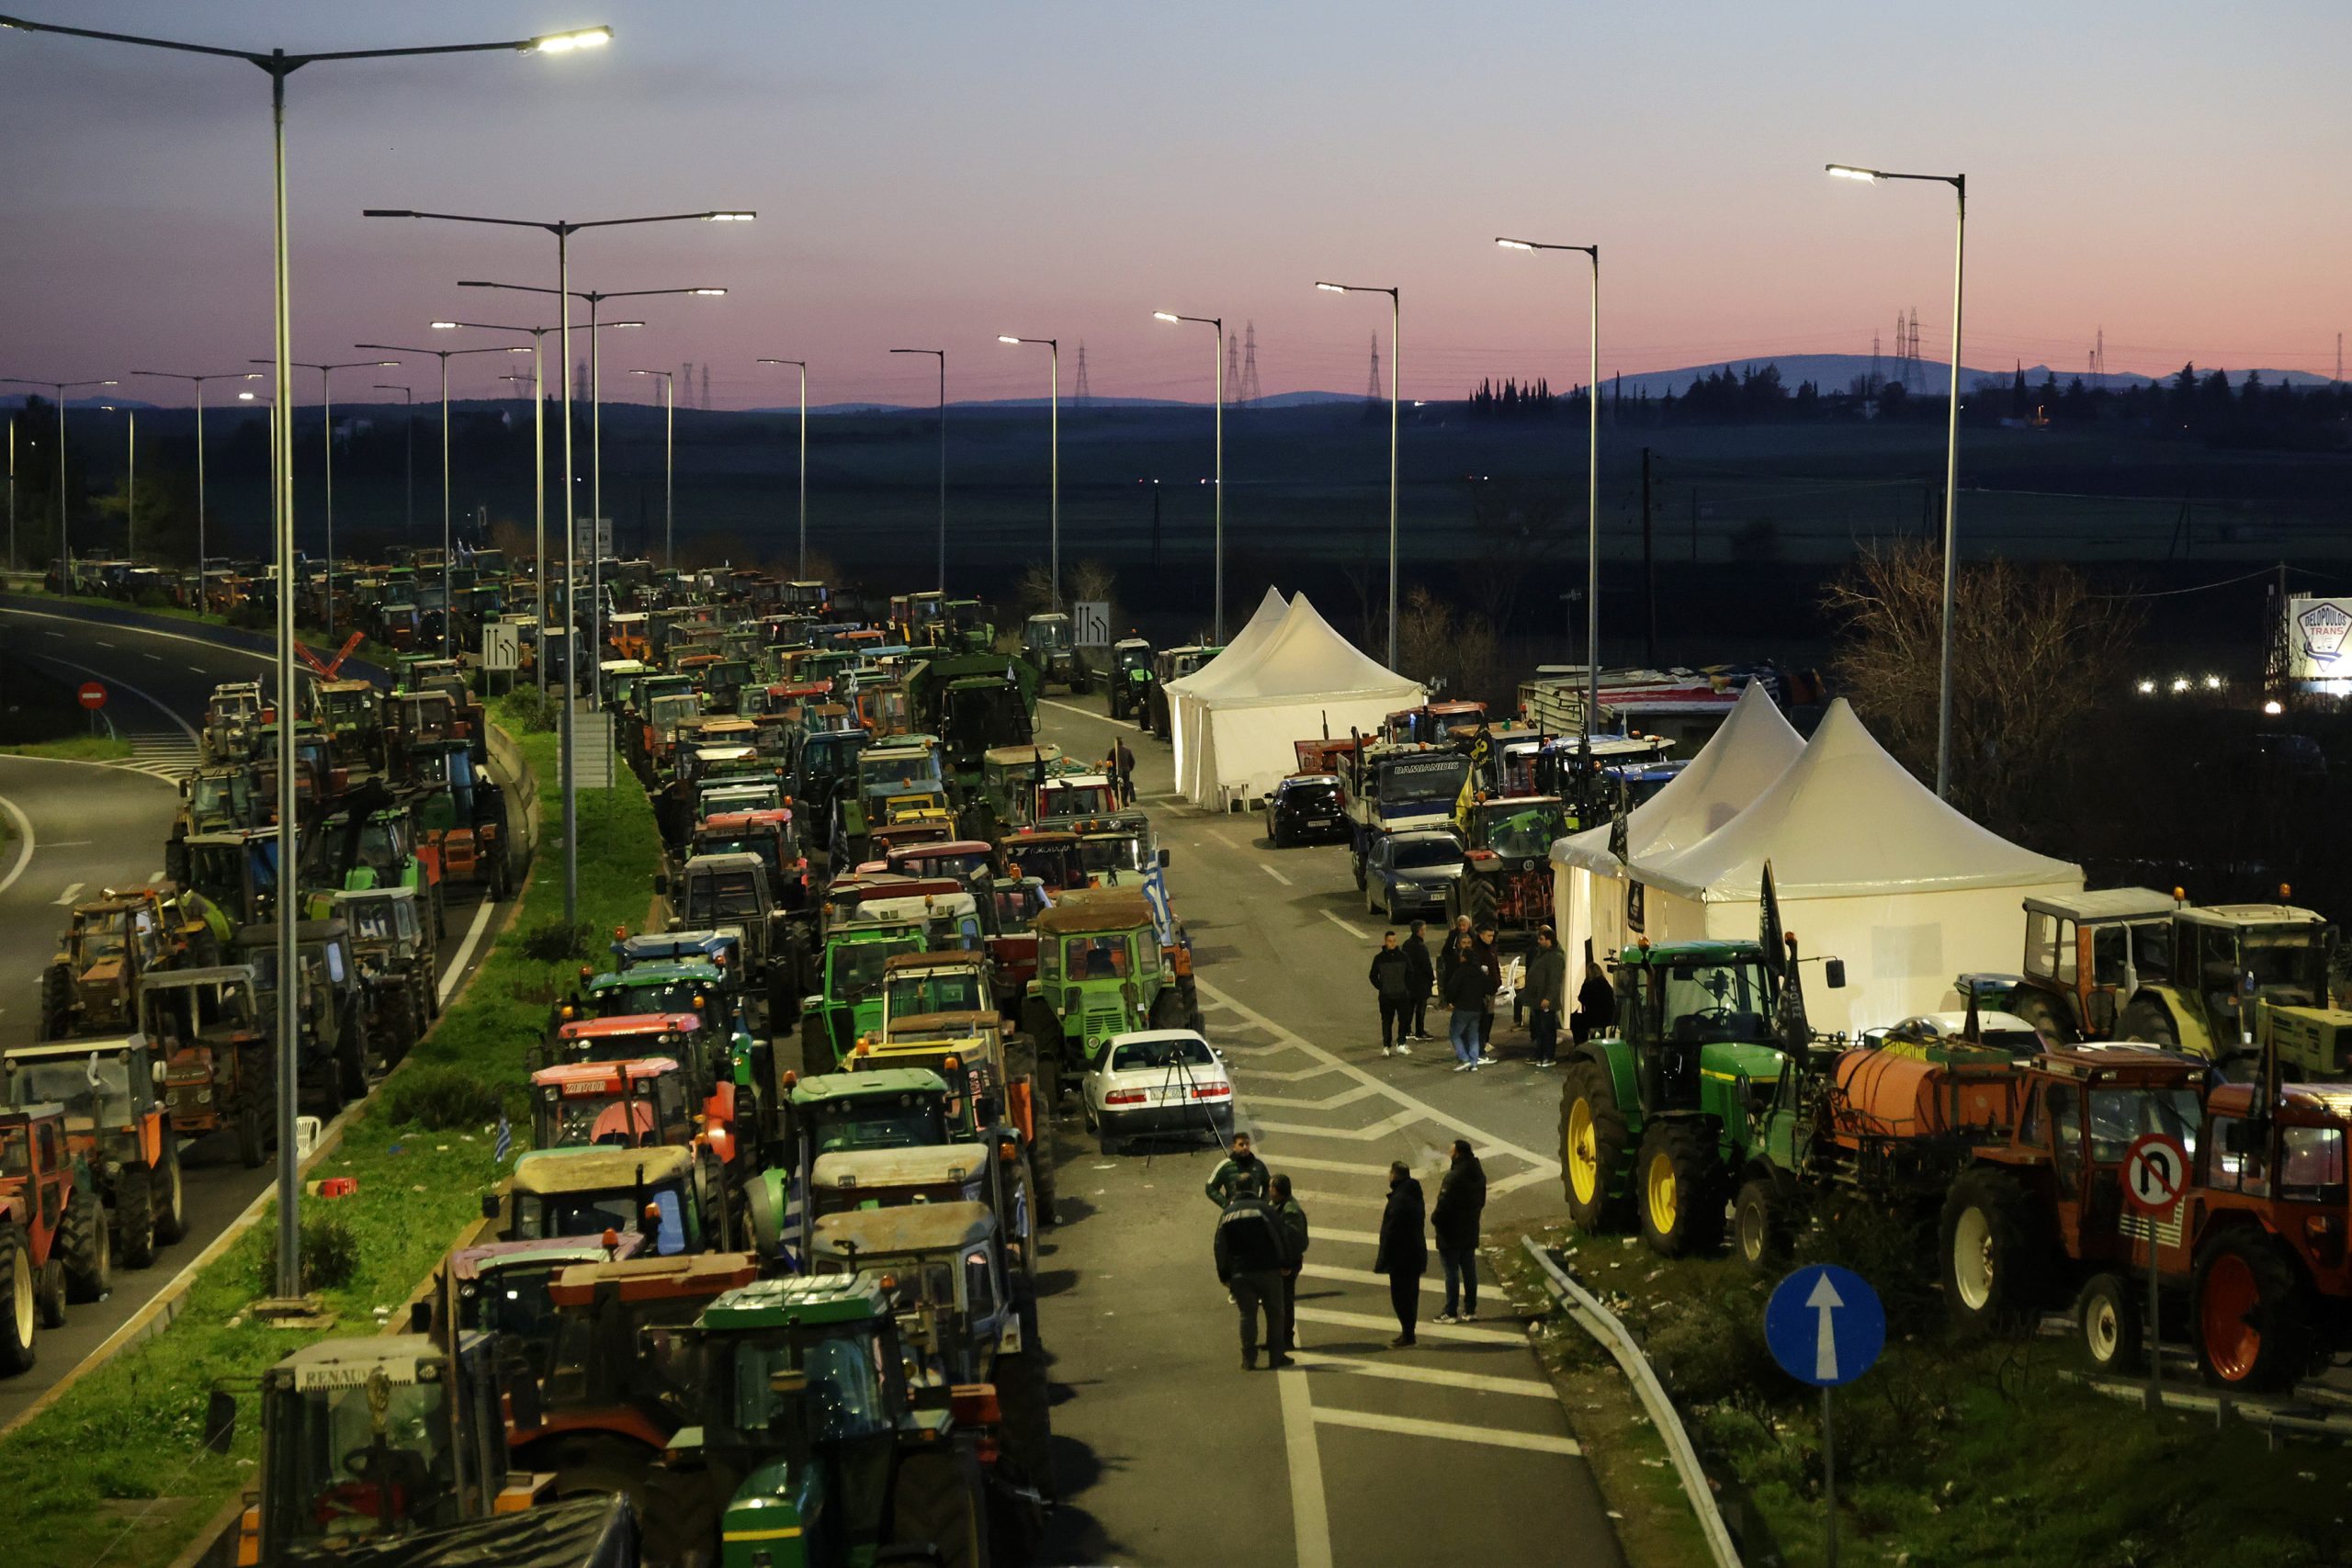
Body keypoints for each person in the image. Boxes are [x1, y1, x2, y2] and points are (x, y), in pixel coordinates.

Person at [1214, 1185, 1293, 1369]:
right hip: (1268, 1270)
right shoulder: (1265, 1209)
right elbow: (1280, 1237)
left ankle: (1248, 1360)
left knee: (1247, 1315)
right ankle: (1276, 1357)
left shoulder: (1227, 1214)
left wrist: (1224, 1274)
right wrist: (1285, 1263)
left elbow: (1219, 1246)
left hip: (1240, 1273)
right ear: (1254, 1189)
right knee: (1274, 1313)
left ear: (1236, 1190)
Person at [1430, 1140, 1487, 1323]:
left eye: (1451, 1151)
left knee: (1451, 1272)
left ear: (1457, 1154)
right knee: (1469, 1271)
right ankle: (1470, 1310)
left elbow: (1443, 1204)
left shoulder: (1453, 1177)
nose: (1449, 1154)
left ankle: (1451, 1311)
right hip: (1470, 1229)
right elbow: (1481, 1201)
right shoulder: (1479, 1175)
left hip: (1451, 1232)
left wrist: (1435, 1219)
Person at [1373, 1160, 1428, 1347]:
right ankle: (1408, 1332)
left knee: (1401, 1297)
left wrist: (1384, 1256)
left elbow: (1392, 1230)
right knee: (1410, 1296)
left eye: (1390, 1173)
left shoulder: (1400, 1199)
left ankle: (1408, 1333)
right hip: (1413, 1254)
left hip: (1401, 1257)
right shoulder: (1412, 1194)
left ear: (1395, 1175)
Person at [1270, 1173, 1309, 1357]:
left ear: (1277, 1191)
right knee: (1276, 1302)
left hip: (1288, 1264)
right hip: (1279, 1262)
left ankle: (1286, 1339)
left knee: (1285, 1301)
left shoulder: (1291, 1211)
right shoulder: (1278, 1205)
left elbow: (1293, 1241)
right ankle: (1276, 1338)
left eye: (1271, 1187)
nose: (1269, 1190)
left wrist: (1286, 1265)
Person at [1442, 933, 1488, 1071]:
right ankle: (1474, 1063)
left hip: (1463, 1007)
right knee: (1473, 1035)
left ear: (1463, 958)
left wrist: (1450, 1001)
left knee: (1455, 1034)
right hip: (1477, 1008)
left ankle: (1464, 1059)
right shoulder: (1479, 971)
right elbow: (1489, 987)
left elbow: (1452, 988)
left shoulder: (1460, 971)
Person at [1525, 926, 1568, 1066]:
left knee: (1547, 1029)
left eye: (1541, 939)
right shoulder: (1542, 954)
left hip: (1546, 1001)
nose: (1538, 941)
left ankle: (1549, 1056)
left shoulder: (1556, 957)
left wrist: (1548, 998)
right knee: (1539, 1029)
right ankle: (1539, 1054)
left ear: (1549, 941)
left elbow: (1554, 980)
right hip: (1538, 999)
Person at [1369, 931, 1414, 1056]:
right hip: (1386, 996)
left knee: (1403, 1020)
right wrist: (1382, 987)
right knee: (1387, 1021)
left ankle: (1401, 1043)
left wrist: (1405, 987)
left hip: (1402, 995)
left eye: (1394, 941)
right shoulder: (1379, 958)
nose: (1392, 943)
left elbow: (1410, 972)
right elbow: (1373, 976)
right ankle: (1387, 1045)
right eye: (1390, 941)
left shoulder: (1403, 956)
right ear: (1385, 942)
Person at [1204, 1131, 1269, 1205]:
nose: (1245, 1147)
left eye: (1247, 1144)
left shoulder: (1259, 1165)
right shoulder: (1225, 1166)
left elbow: (1268, 1186)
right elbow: (1210, 1187)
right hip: (1234, 1209)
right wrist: (1226, 1204)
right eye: (1241, 1144)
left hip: (1254, 1208)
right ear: (1234, 1147)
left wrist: (1262, 1203)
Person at [1473, 925, 1504, 1061]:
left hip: (1492, 988)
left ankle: (1485, 1041)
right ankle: (1480, 1047)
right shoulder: (1477, 951)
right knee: (1483, 1019)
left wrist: (1498, 981)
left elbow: (1495, 965)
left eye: (1492, 936)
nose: (1491, 938)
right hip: (1483, 990)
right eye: (1489, 935)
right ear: (1481, 935)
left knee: (1489, 1015)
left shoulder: (1491, 948)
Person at [1401, 919, 1435, 1042]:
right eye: (1424, 929)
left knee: (1410, 1006)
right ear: (1419, 931)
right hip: (1421, 982)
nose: (1425, 932)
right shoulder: (1421, 947)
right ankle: (1420, 1031)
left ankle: (1406, 1029)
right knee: (1420, 1008)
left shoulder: (1406, 944)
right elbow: (1426, 965)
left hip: (1409, 981)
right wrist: (1431, 978)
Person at [1571, 958, 1617, 1046]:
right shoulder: (1605, 983)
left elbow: (1582, 998)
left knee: (1575, 1020)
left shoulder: (1588, 984)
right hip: (1607, 1017)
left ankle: (1580, 1043)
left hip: (1592, 1017)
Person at [1114, 737, 1137, 806]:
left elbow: (1109, 761)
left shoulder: (1113, 751)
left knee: (1118, 786)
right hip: (1126, 770)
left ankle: (1119, 800)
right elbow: (1132, 761)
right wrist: (1129, 768)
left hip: (1117, 771)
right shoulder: (1127, 750)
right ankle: (1125, 800)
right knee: (1126, 785)